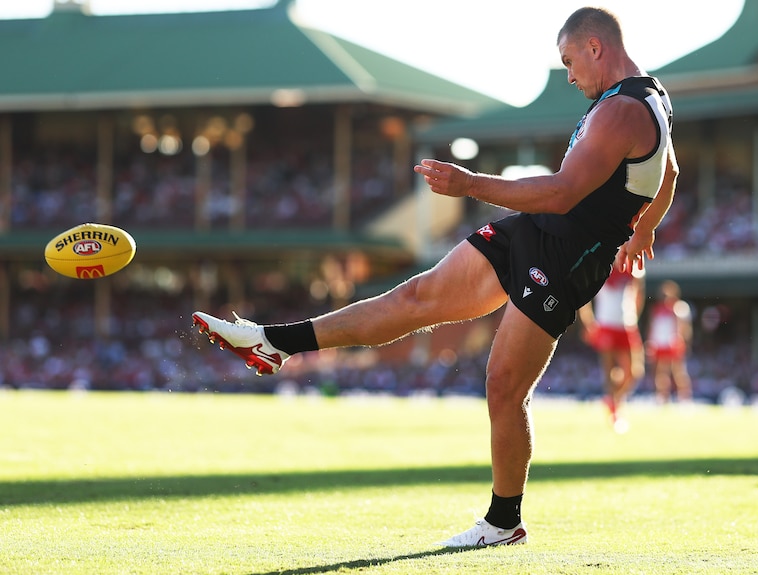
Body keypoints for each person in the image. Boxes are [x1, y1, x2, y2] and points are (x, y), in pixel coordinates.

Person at [192, 6, 678, 547]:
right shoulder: (645, 97)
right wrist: (644, 230)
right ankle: (272, 342)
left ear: (595, 47)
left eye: (569, 62)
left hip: (568, 257)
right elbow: (669, 172)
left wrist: (469, 184)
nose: (568, 76)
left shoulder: (622, 112)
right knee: (415, 296)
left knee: (503, 386)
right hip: (533, 231)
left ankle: (502, 522)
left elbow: (564, 190)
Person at [579, 265, 645, 431]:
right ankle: (615, 409)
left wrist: (634, 316)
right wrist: (588, 322)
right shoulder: (602, 266)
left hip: (627, 326)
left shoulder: (632, 269)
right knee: (608, 369)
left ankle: (613, 400)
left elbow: (639, 293)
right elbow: (584, 296)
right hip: (605, 324)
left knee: (634, 371)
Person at [645, 280, 693, 403]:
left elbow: (684, 327)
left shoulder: (679, 308)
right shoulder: (657, 309)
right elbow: (653, 326)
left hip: (674, 343)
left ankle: (684, 397)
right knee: (661, 372)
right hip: (660, 344)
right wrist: (651, 342)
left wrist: (682, 342)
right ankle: (662, 397)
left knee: (678, 371)